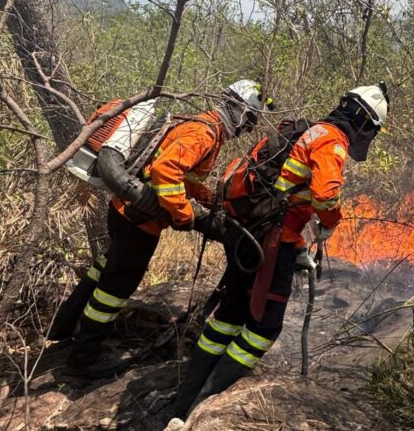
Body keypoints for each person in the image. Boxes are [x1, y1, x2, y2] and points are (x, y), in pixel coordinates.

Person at [172, 83, 389, 418]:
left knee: (229, 317)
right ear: (364, 123)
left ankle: (182, 404)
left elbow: (281, 191)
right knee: (265, 327)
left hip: (246, 231)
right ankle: (204, 408)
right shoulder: (332, 141)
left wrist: (300, 243)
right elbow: (325, 195)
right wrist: (329, 223)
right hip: (271, 240)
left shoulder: (304, 131)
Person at [49, 80, 272, 378]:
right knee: (114, 292)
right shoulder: (203, 132)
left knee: (106, 268)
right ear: (238, 110)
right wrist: (183, 214)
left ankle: (64, 325)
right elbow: (166, 172)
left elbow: (178, 172)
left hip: (125, 213)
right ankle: (83, 359)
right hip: (139, 220)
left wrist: (204, 195)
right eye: (250, 120)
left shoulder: (208, 129)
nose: (248, 128)